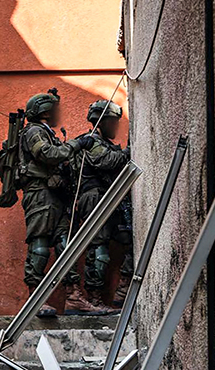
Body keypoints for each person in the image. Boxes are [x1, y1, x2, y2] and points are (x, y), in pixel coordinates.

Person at [18, 89, 101, 316]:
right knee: (40, 246)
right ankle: (35, 300)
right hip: (40, 195)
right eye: (54, 109)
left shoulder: (47, 132)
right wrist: (76, 144)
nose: (58, 113)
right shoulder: (34, 131)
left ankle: (73, 297)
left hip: (56, 196)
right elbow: (47, 154)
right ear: (45, 111)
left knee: (66, 244)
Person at [75, 100, 133, 312]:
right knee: (99, 251)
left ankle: (123, 289)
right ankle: (95, 300)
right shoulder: (91, 141)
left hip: (111, 198)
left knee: (131, 239)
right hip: (94, 198)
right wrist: (129, 151)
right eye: (112, 121)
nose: (116, 126)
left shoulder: (105, 143)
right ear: (100, 122)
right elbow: (107, 161)